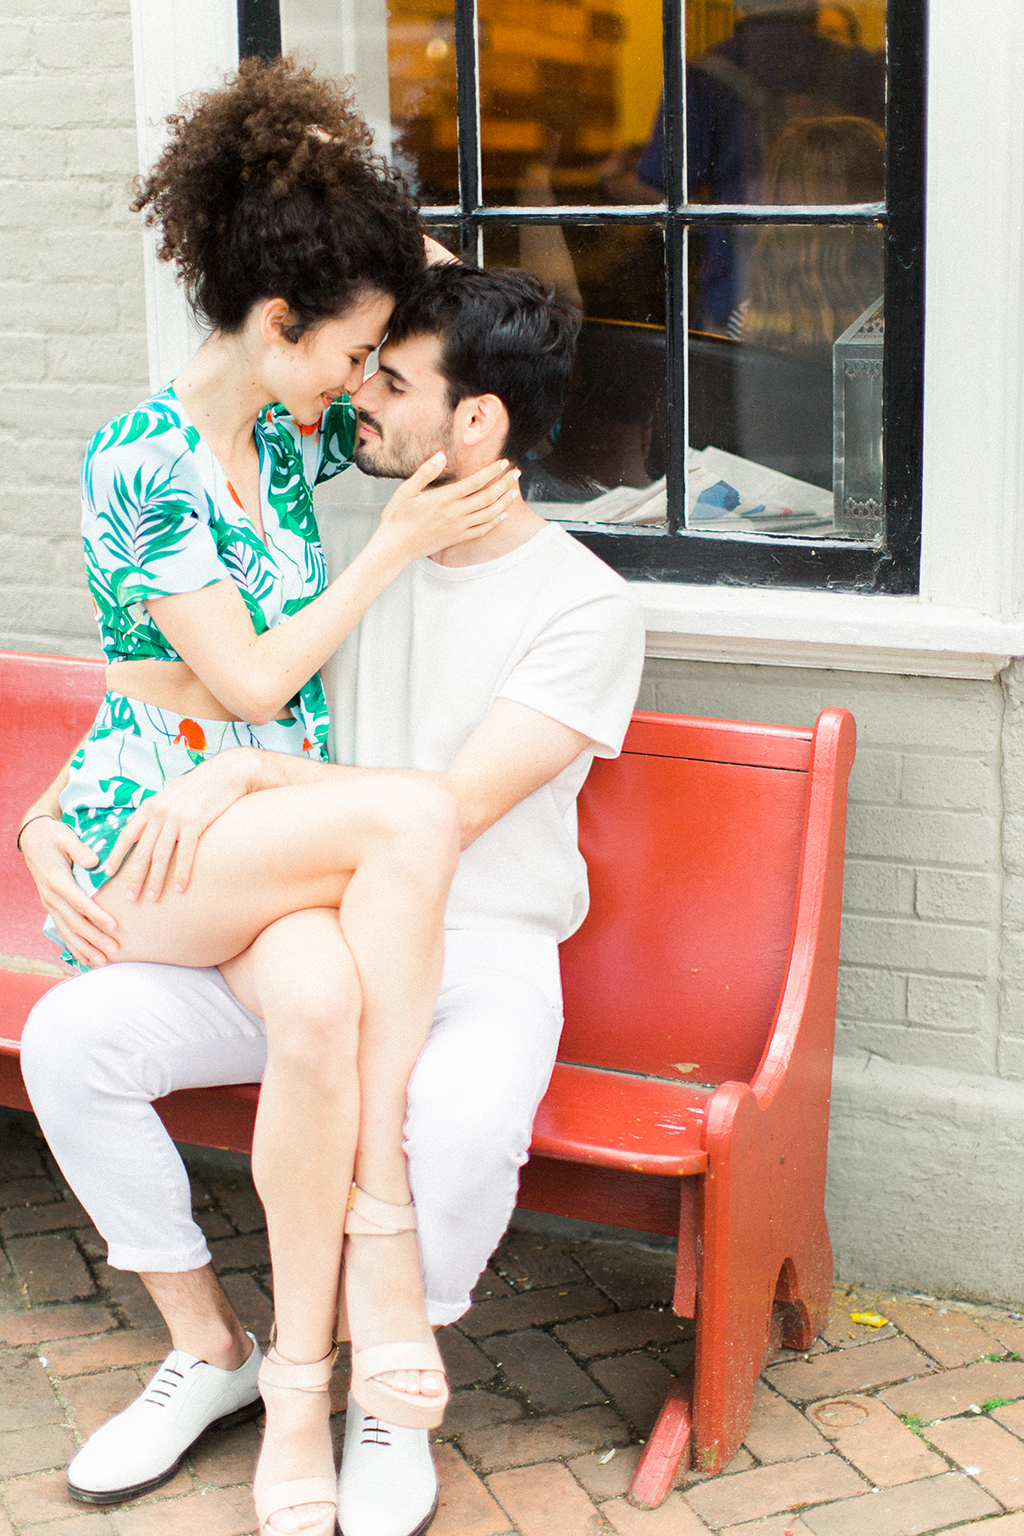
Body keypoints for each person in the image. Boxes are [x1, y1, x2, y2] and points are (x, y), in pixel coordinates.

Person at [19, 261, 646, 1536]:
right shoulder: (342, 534)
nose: (358, 393)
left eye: (391, 378)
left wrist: (249, 766)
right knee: (72, 1039)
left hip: (475, 940)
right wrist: (47, 810)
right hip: (310, 921)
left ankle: (384, 1385)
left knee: (459, 1117)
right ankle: (215, 1350)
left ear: (476, 423)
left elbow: (445, 816)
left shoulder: (586, 606)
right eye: (356, 362)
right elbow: (177, 671)